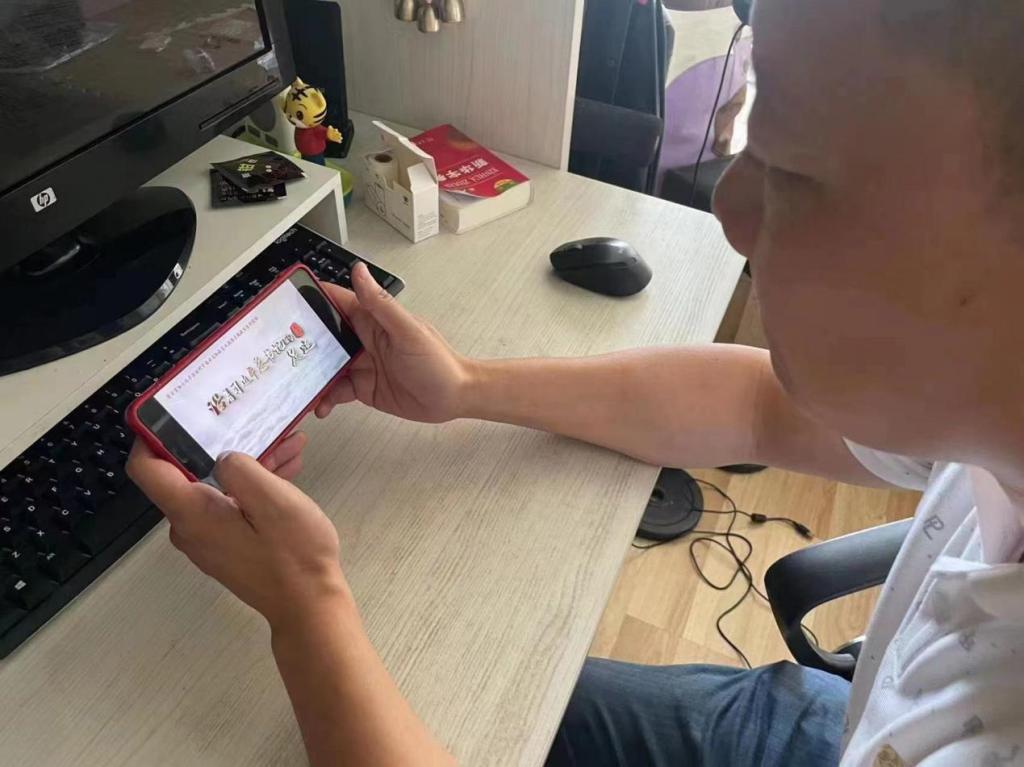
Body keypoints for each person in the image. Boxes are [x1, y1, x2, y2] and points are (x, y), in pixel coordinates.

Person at [128, 0, 1024, 764]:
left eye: (793, 168)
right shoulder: (980, 401)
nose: (729, 208)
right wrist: (465, 385)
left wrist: (306, 605)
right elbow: (756, 406)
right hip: (846, 724)